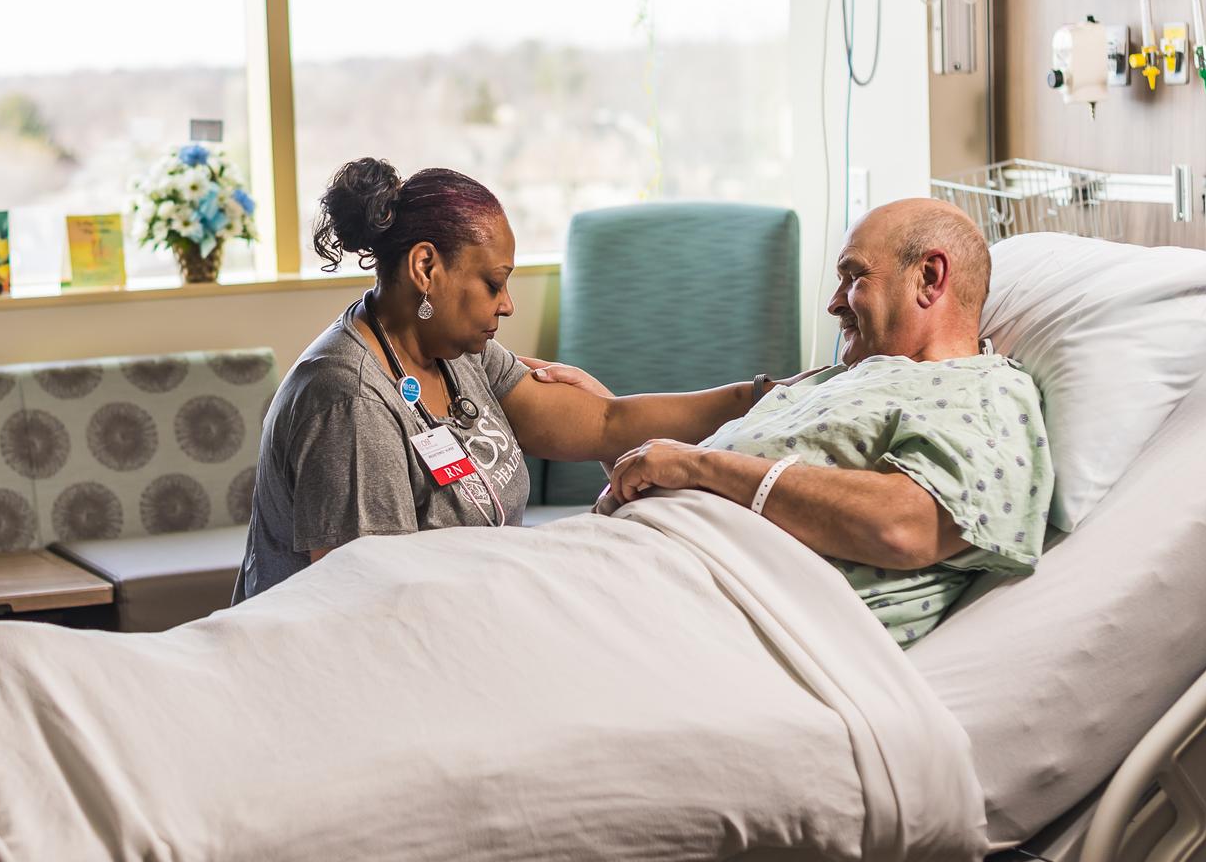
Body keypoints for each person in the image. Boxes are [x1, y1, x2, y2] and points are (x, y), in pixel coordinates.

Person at [233, 159, 819, 602]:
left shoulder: (458, 355)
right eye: (494, 283)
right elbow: (375, 602)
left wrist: (762, 397)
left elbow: (605, 423)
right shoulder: (349, 399)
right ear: (425, 268)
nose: (508, 305)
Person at [596, 197, 1055, 646]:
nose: (835, 304)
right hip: (630, 566)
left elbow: (903, 525)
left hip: (706, 613)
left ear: (929, 278)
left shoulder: (982, 392)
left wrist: (700, 467)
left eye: (854, 276)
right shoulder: (844, 378)